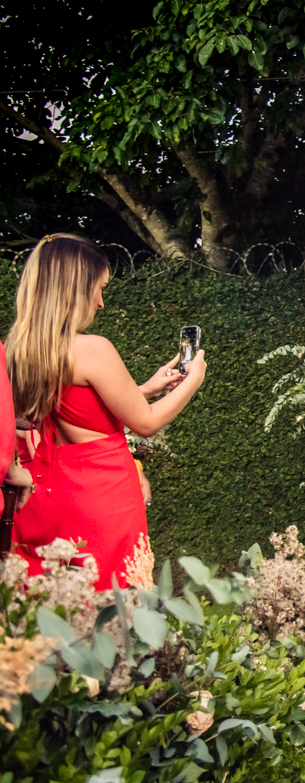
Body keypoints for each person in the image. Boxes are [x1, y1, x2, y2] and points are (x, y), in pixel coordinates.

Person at [5, 234, 207, 589]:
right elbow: (146, 423)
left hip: (54, 493)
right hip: (103, 493)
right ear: (74, 289)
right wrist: (195, 379)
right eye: (99, 289)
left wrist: (142, 389)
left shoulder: (18, 351)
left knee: (64, 605)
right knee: (116, 606)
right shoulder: (92, 349)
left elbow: (77, 412)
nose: (100, 303)